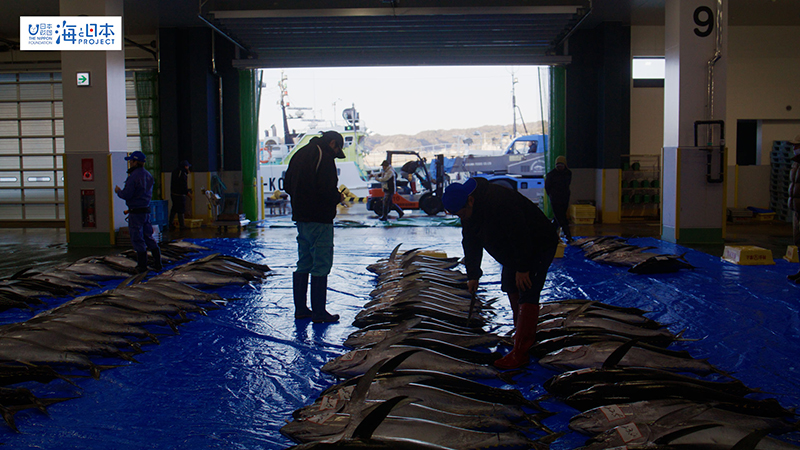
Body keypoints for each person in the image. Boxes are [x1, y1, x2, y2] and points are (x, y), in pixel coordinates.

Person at [442, 177, 558, 370]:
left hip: (537, 244)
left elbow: (520, 233)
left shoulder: (499, 201)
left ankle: (521, 353)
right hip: (512, 249)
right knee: (510, 285)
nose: (462, 218)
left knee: (527, 290)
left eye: (462, 213)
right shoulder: (468, 211)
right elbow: (470, 242)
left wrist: (523, 268)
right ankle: (520, 333)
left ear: (470, 200)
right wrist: (473, 275)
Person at [284, 131, 345, 323]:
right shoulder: (324, 156)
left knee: (304, 261)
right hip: (320, 219)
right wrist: (338, 197)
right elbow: (326, 189)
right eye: (336, 150)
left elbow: (287, 185)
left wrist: (301, 199)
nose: (335, 154)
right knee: (321, 263)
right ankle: (319, 312)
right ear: (332, 143)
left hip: (301, 218)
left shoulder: (300, 153)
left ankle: (301, 309)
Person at [115, 151, 163, 274]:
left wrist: (118, 191)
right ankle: (158, 263)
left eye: (131, 161)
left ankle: (142, 266)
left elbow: (127, 194)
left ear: (135, 162)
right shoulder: (148, 175)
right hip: (146, 211)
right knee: (148, 237)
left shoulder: (133, 177)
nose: (130, 163)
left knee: (137, 238)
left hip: (136, 213)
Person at [545, 155, 574, 243]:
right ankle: (568, 235)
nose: (559, 167)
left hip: (564, 198)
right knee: (562, 218)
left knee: (558, 218)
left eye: (561, 165)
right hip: (556, 198)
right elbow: (547, 187)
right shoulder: (551, 175)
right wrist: (552, 195)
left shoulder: (568, 173)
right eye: (558, 165)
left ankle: (550, 235)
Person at [788, 135, 800, 283]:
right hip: (797, 208)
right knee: (798, 240)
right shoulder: (796, 164)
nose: (794, 148)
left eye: (796, 145)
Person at [169, 160, 192, 231]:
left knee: (174, 208)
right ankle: (182, 225)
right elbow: (183, 185)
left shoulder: (175, 171)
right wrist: (188, 193)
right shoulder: (183, 173)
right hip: (180, 194)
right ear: (185, 166)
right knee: (181, 210)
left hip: (173, 193)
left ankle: (170, 223)